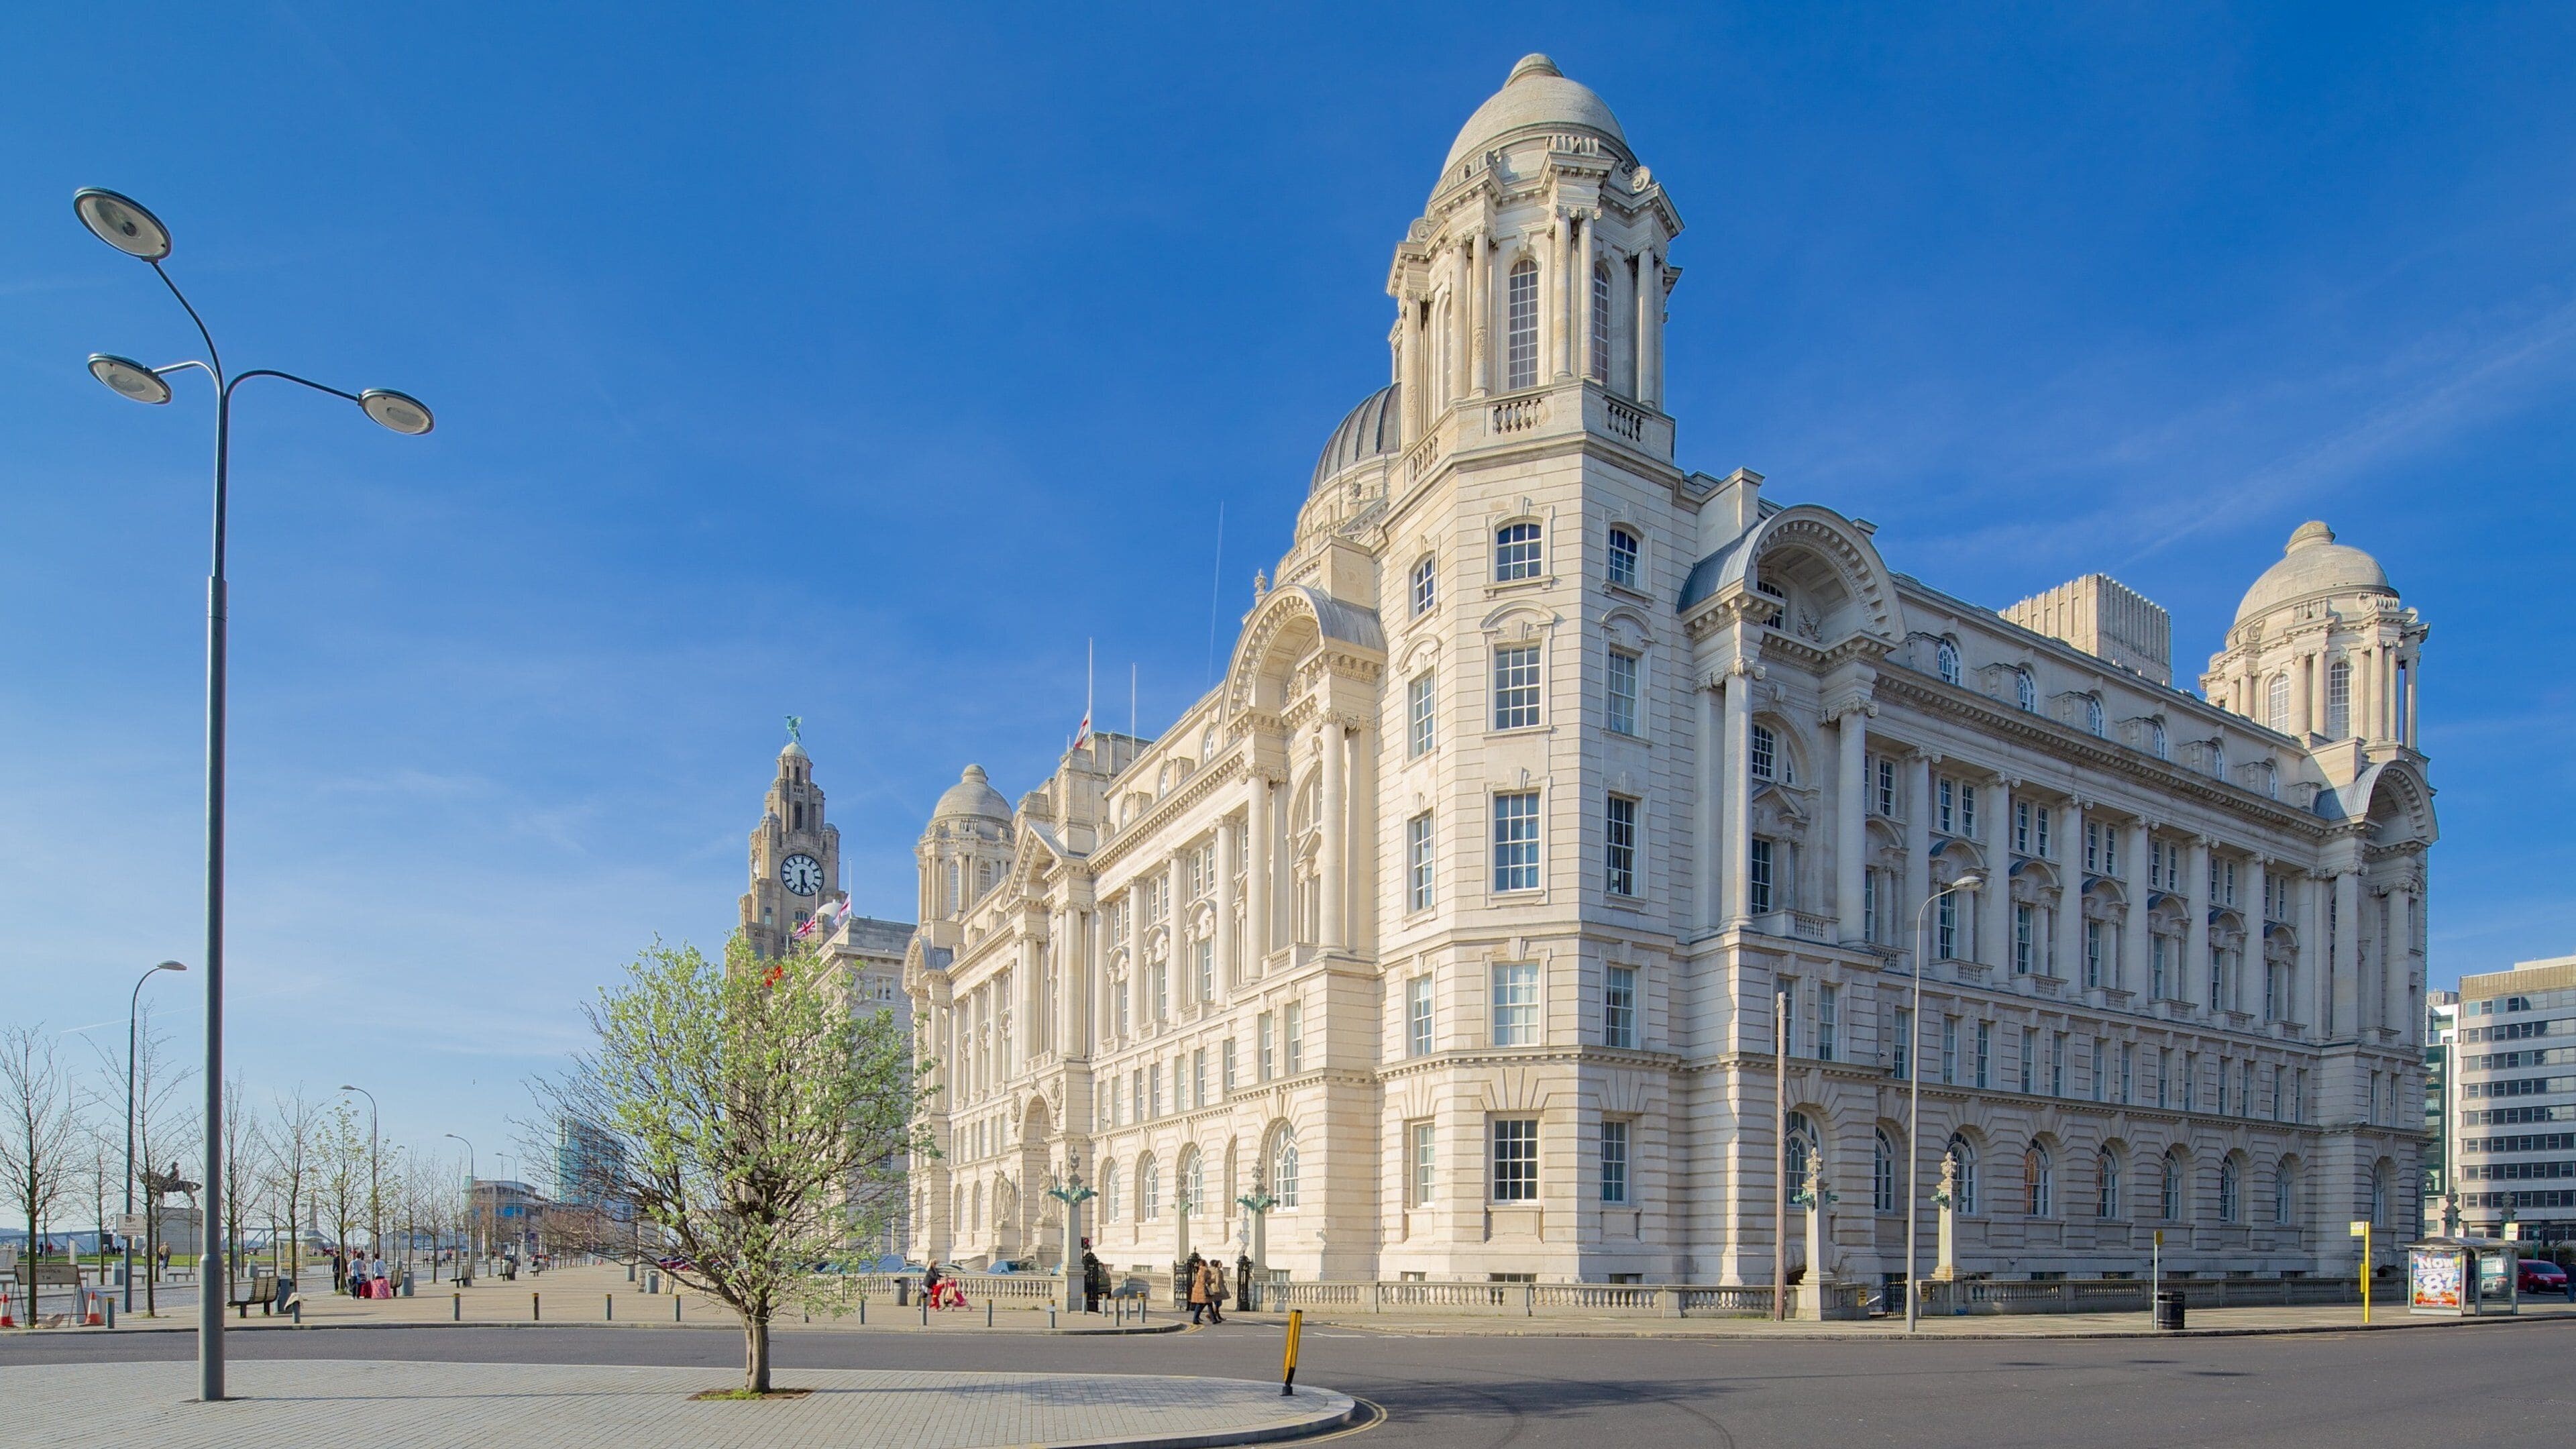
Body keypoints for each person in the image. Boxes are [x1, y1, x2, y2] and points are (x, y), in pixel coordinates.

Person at [1080, 1240, 1104, 1313]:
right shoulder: (1088, 1259)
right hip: (1091, 1284)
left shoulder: (1088, 1260)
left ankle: (1093, 1307)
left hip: (1092, 1284)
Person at [1186, 1252, 1210, 1326]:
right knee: (1200, 1304)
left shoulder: (1200, 1270)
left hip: (1198, 1289)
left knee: (1201, 1304)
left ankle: (1197, 1318)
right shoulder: (1203, 1270)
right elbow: (1203, 1281)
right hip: (1201, 1290)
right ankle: (1195, 1319)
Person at [1206, 1260, 1228, 1325]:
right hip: (1217, 1288)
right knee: (1218, 1303)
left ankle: (1215, 1316)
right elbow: (1218, 1281)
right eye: (1220, 1263)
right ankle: (1211, 1315)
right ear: (1217, 1264)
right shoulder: (1218, 1271)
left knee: (1216, 1303)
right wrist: (1220, 1289)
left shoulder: (1209, 1270)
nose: (1221, 1264)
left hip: (1212, 1287)